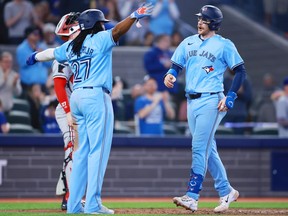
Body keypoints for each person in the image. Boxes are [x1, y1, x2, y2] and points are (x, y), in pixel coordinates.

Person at [26, 3, 153, 214]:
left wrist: (33, 57)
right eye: (101, 23)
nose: (104, 26)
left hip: (77, 98)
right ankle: (92, 204)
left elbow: (49, 53)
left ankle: (74, 205)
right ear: (95, 25)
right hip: (95, 96)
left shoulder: (72, 45)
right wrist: (134, 16)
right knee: (98, 152)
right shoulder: (100, 39)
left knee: (82, 152)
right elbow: (119, 30)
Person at [164, 5, 246, 213]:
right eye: (200, 18)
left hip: (212, 100)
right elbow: (176, 65)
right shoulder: (188, 41)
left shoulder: (224, 44)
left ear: (214, 23)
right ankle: (226, 190)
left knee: (199, 147)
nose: (200, 22)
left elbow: (240, 72)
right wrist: (170, 74)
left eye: (205, 19)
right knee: (208, 149)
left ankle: (192, 196)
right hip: (191, 101)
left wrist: (230, 96)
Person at [50, 12, 81, 211]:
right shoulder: (64, 52)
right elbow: (59, 86)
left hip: (83, 110)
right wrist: (68, 111)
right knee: (72, 149)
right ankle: (70, 197)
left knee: (81, 153)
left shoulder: (89, 50)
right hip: (68, 110)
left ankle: (69, 188)